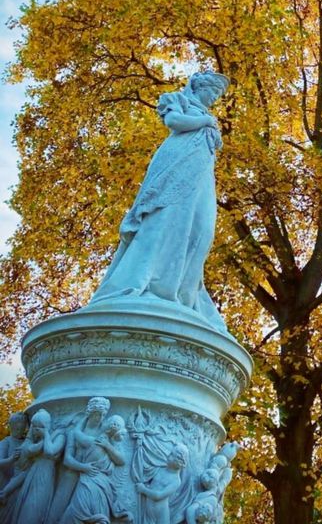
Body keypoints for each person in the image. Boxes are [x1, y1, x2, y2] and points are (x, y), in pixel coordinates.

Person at [90, 72, 230, 334]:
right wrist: (204, 120)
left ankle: (183, 292)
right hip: (175, 164)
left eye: (218, 96)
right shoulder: (178, 99)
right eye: (213, 92)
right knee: (166, 220)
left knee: (203, 231)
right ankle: (148, 283)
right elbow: (175, 122)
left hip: (201, 174)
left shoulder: (208, 119)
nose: (215, 99)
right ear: (201, 87)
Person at [48, 396, 112, 522]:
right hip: (71, 476)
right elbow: (67, 459)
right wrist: (84, 468)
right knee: (57, 512)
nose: (99, 418)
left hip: (92, 480)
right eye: (96, 415)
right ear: (89, 414)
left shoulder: (104, 435)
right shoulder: (74, 433)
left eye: (102, 415)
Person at [58, 414, 131, 524]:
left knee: (78, 513)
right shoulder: (102, 443)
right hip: (98, 483)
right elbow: (121, 460)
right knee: (94, 512)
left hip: (91, 482)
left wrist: (85, 417)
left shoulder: (97, 442)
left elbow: (77, 433)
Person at [0, 409, 65, 524]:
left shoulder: (58, 435)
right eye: (33, 427)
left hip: (43, 477)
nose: (35, 430)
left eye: (39, 426)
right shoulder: (12, 442)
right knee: (22, 511)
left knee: (32, 510)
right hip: (26, 476)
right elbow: (29, 450)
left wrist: (46, 435)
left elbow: (49, 451)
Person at [136, 443, 189, 524]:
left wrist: (143, 490)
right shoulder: (161, 469)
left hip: (160, 516)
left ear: (179, 462)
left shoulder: (176, 481)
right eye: (170, 453)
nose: (168, 455)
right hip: (148, 511)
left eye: (172, 455)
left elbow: (158, 496)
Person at [0, 413, 28, 488]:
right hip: (7, 481)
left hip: (23, 480)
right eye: (18, 424)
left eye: (23, 424)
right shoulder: (6, 442)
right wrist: (11, 459)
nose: (21, 426)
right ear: (12, 426)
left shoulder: (27, 441)